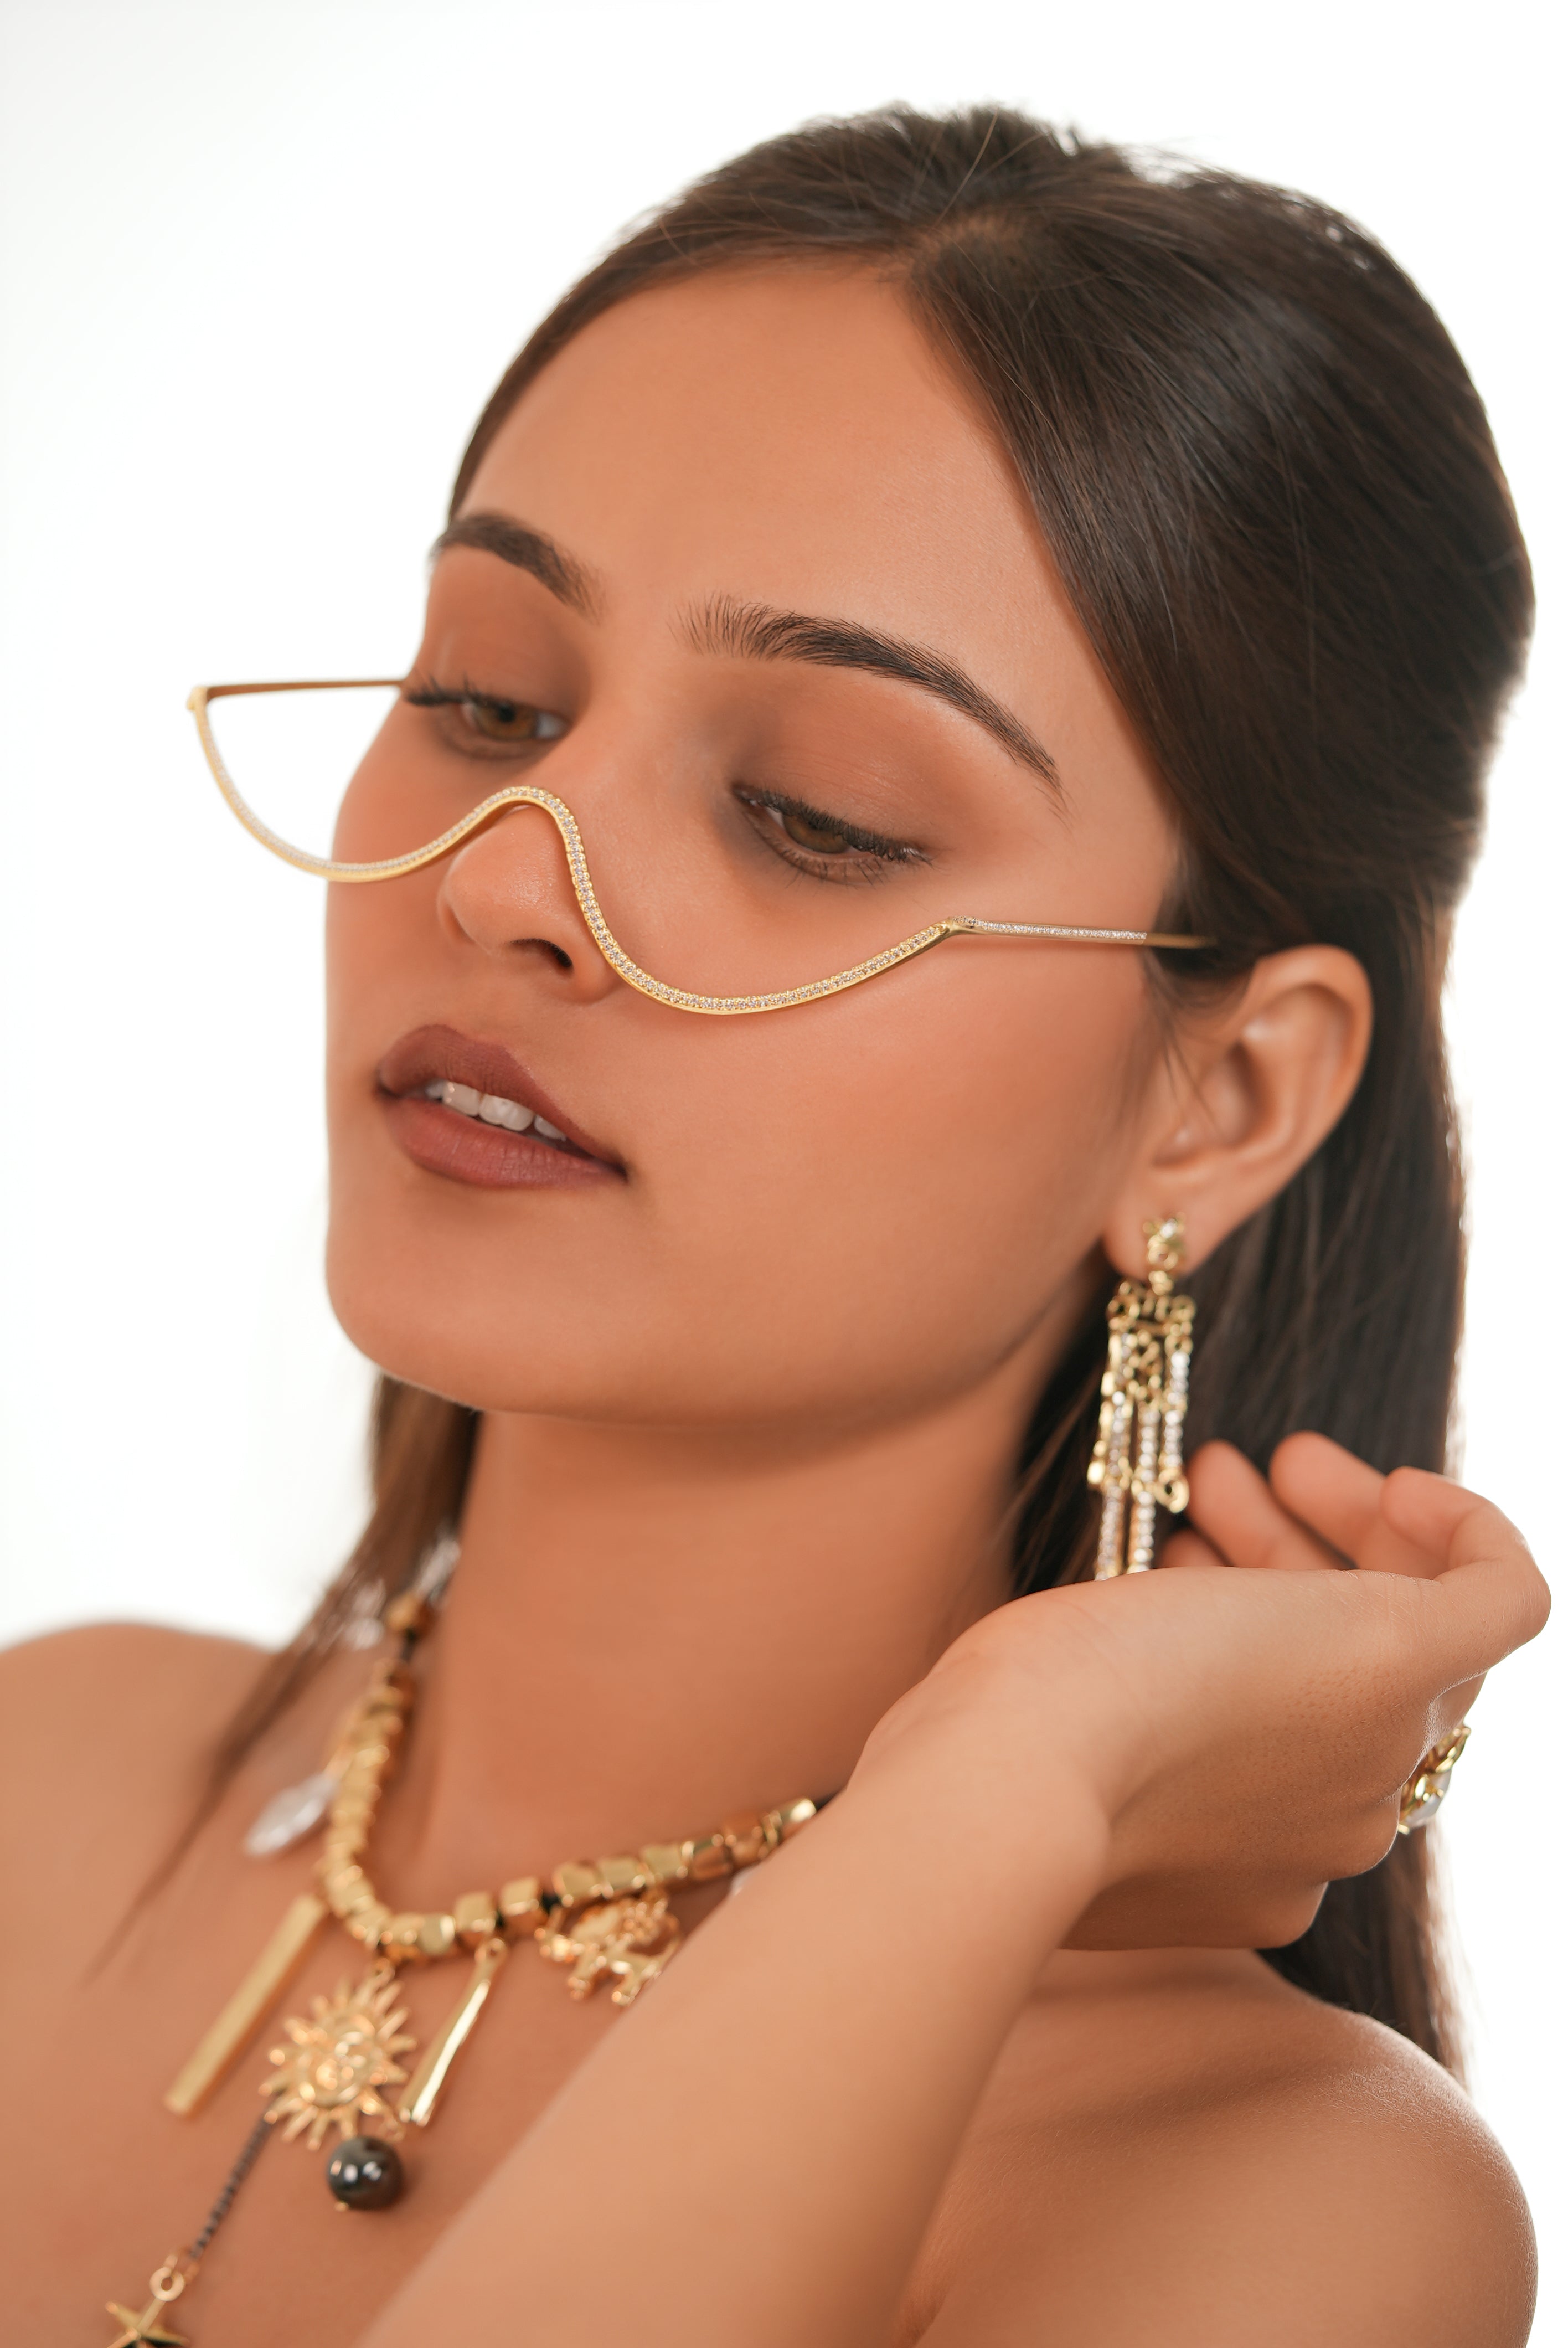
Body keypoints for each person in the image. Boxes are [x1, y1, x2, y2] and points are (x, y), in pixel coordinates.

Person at [0, 106, 1549, 2347]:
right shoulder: (39, 1776)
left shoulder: (1277, 2216)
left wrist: (1015, 1779)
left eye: (815, 815)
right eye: (483, 698)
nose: (507, 877)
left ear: (1222, 1095)